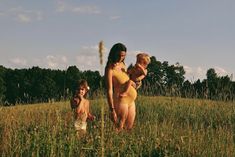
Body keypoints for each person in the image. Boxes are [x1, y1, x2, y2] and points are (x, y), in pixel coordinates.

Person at [105, 43, 137, 132]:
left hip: (131, 101)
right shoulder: (109, 68)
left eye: (123, 56)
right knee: (119, 128)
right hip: (120, 100)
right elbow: (109, 90)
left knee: (129, 129)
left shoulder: (123, 65)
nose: (120, 58)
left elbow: (124, 80)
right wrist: (112, 110)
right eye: (118, 55)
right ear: (113, 54)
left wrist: (132, 83)